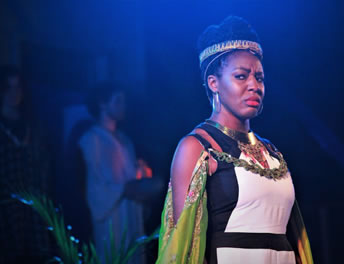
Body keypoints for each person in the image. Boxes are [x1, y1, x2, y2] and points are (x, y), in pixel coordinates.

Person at [156, 17, 313, 264]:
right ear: (214, 83)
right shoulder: (197, 147)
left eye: (259, 78)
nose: (254, 85)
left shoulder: (272, 152)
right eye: (241, 76)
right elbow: (184, 246)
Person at [79, 82, 146, 264]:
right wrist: (122, 189)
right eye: (118, 101)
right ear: (102, 103)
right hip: (111, 215)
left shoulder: (125, 139)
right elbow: (96, 184)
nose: (123, 106)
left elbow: (131, 173)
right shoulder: (92, 139)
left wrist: (141, 173)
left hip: (130, 211)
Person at [0, 65, 52, 263]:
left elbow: (44, 171)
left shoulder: (34, 128)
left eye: (18, 87)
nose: (14, 93)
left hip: (35, 210)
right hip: (6, 214)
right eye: (8, 87)